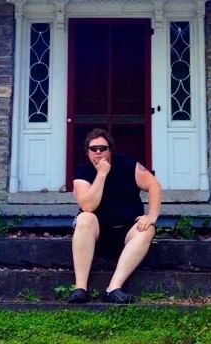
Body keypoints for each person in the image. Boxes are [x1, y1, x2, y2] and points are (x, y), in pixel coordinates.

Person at [68, 128, 162, 304]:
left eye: (103, 148)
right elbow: (88, 205)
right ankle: (80, 288)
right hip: (97, 233)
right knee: (85, 218)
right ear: (87, 152)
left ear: (110, 150)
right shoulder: (83, 173)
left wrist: (151, 216)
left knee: (147, 229)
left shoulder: (128, 164)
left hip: (127, 230)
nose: (98, 153)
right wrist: (101, 174)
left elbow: (154, 185)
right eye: (93, 149)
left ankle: (113, 288)